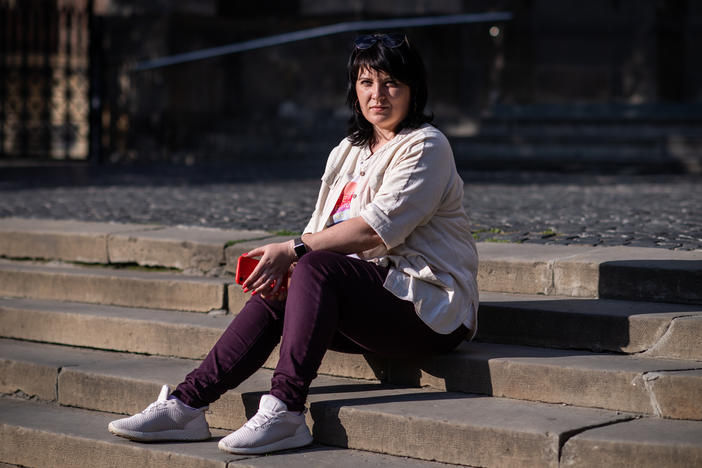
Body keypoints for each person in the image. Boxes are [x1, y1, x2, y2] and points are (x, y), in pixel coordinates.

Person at [108, 32, 479, 455]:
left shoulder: (427, 145)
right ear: (354, 89)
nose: (378, 95)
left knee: (313, 266)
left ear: (413, 89)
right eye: (366, 82)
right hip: (366, 303)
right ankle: (186, 406)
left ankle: (285, 409)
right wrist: (287, 266)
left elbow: (375, 231)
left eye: (391, 83)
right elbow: (321, 231)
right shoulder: (348, 151)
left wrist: (295, 250)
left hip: (428, 310)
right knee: (283, 288)